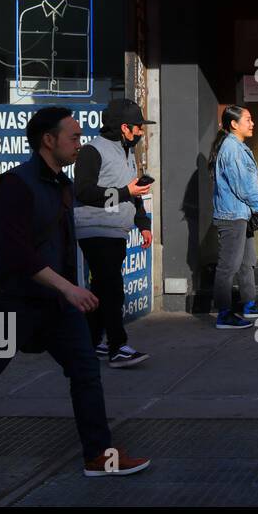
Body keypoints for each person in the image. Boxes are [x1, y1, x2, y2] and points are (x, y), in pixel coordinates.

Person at [0, 108, 150, 485]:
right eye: (72, 137)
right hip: (11, 302)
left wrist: (73, 288)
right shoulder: (14, 184)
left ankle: (98, 455)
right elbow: (13, 252)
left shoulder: (64, 185)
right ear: (48, 140)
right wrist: (67, 287)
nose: (79, 143)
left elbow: (64, 244)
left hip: (56, 305)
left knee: (86, 371)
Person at [74, 99, 154, 368]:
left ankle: (91, 341)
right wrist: (125, 193)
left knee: (101, 288)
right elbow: (83, 192)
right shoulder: (91, 151)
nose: (141, 132)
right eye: (138, 127)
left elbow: (134, 192)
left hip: (116, 231)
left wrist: (143, 224)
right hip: (96, 230)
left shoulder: (127, 150)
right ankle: (118, 347)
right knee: (112, 289)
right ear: (124, 127)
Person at [209, 105, 258, 329]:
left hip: (241, 214)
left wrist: (254, 206)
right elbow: (241, 185)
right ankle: (224, 314)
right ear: (234, 124)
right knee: (228, 266)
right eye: (248, 119)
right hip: (232, 216)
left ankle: (249, 305)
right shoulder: (232, 149)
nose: (252, 123)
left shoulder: (237, 146)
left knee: (247, 262)